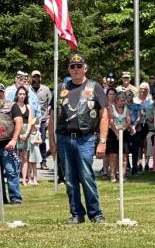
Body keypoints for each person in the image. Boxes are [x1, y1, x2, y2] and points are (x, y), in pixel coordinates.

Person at [48, 54, 109, 224]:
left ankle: (96, 214)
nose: (76, 69)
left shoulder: (94, 87)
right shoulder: (60, 87)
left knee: (87, 176)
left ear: (85, 68)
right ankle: (76, 214)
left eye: (79, 66)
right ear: (68, 69)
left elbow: (104, 116)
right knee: (70, 179)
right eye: (73, 66)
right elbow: (52, 116)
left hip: (85, 138)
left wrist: (102, 142)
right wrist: (52, 141)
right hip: (64, 138)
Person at [0, 83, 24, 204]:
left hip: (8, 144)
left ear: (3, 92)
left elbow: (19, 122)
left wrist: (14, 140)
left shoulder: (11, 106)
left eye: (0, 91)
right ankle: (1, 199)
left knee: (11, 171)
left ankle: (15, 198)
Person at [30, 70, 51, 170]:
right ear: (31, 78)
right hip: (30, 120)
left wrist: (48, 118)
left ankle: (43, 161)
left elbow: (50, 105)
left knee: (42, 140)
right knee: (30, 141)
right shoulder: (27, 89)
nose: (36, 79)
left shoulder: (46, 89)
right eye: (34, 77)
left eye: (38, 77)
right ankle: (30, 163)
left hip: (42, 120)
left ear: (41, 78)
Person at [107, 92, 130, 182]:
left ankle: (122, 175)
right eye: (121, 100)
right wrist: (117, 133)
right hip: (113, 133)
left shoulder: (126, 109)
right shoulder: (111, 108)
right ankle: (113, 175)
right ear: (116, 101)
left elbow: (128, 121)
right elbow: (111, 121)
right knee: (113, 155)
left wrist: (122, 130)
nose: (123, 102)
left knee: (124, 156)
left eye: (124, 101)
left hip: (123, 132)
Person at [15, 87, 35, 186]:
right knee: (16, 157)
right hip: (17, 133)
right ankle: (15, 179)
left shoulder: (29, 107)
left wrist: (26, 133)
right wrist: (18, 135)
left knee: (25, 158)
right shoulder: (14, 106)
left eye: (23, 94)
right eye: (20, 94)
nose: (22, 96)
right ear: (17, 95)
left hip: (26, 133)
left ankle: (24, 179)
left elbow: (31, 121)